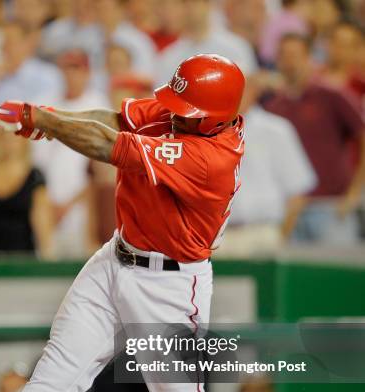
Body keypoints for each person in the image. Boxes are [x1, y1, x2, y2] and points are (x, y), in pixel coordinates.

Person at [0, 54, 341, 392]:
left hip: (169, 286)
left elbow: (110, 147)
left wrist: (41, 119)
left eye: (188, 109)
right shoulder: (182, 111)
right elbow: (113, 120)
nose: (176, 112)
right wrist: (48, 121)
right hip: (114, 260)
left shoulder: (212, 159)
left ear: (215, 116)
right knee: (56, 373)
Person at [264, 34, 364, 244]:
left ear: (309, 58)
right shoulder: (273, 107)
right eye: (284, 55)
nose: (289, 61)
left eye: (295, 55)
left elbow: (361, 135)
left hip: (331, 207)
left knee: (336, 273)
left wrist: (354, 194)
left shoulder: (332, 95)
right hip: (290, 210)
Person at [214, 75, 316, 256]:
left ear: (254, 90)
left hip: (263, 233)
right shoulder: (204, 133)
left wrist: (280, 237)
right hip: (218, 239)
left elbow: (298, 192)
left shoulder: (277, 129)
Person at [33, 49, 108, 258]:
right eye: (66, 68)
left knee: (82, 266)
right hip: (48, 206)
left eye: (76, 69)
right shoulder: (46, 104)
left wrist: (70, 204)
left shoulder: (98, 105)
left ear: (87, 72)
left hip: (84, 209)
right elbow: (37, 160)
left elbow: (100, 167)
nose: (71, 75)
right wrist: (46, 201)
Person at [0, 129, 55, 258]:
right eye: (6, 134)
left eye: (15, 135)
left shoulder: (35, 177)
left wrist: (48, 261)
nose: (10, 140)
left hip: (22, 259)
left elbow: (43, 226)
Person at [154, 0, 258, 87]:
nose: (189, 9)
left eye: (194, 2)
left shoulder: (236, 46)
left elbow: (248, 89)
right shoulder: (169, 56)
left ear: (207, 5)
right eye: (184, 3)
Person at [0, 21, 64, 105]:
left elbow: (39, 113)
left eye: (9, 42)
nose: (4, 47)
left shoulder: (49, 76)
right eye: (3, 42)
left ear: (26, 43)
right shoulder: (1, 77)